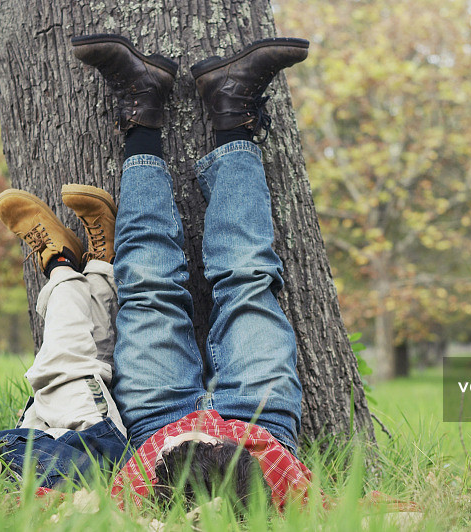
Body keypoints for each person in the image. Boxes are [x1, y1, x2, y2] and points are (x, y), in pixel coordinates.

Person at [70, 34, 314, 508]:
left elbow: (65, 506)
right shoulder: (294, 504)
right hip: (261, 421)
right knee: (249, 280)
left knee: (148, 288)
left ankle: (142, 112)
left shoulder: (134, 505)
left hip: (158, 424)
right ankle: (232, 110)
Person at [0, 183, 132, 489]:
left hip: (34, 440)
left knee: (82, 366)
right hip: (91, 450)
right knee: (61, 370)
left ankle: (96, 268)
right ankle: (63, 266)